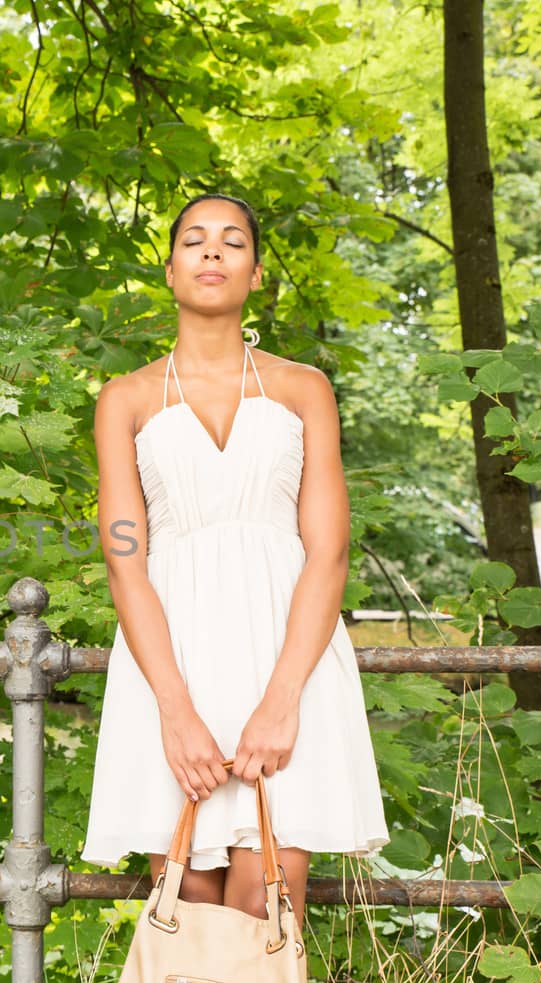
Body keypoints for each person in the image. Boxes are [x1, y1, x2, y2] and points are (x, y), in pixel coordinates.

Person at [81, 193, 389, 923]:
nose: (212, 252)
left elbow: (329, 550)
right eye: (194, 240)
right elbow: (126, 559)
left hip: (286, 656)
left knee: (265, 904)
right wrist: (176, 710)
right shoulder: (124, 401)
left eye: (232, 241)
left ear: (255, 274)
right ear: (170, 270)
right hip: (172, 661)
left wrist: (282, 703)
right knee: (183, 906)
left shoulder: (302, 388)